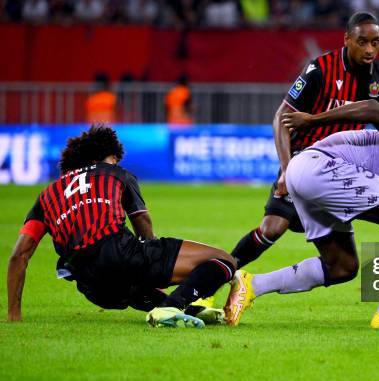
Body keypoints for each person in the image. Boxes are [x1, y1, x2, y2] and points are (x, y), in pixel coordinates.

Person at [224, 99, 379, 329]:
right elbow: (373, 109)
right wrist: (312, 120)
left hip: (310, 180)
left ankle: (251, 285)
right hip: (318, 164)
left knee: (342, 267)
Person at [7, 125, 236, 328]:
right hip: (119, 254)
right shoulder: (116, 174)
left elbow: (19, 255)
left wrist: (14, 314)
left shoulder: (47, 195)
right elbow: (143, 223)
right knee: (224, 261)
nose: (117, 163)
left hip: (91, 286)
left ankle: (187, 310)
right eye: (115, 159)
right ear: (107, 156)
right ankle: (173, 305)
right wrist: (158, 264)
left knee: (133, 285)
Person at [231, 11, 379, 270]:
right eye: (362, 42)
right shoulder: (320, 70)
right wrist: (287, 171)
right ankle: (213, 282)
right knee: (272, 229)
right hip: (303, 161)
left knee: (351, 260)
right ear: (347, 39)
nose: (369, 50)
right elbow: (281, 118)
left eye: (375, 42)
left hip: (343, 171)